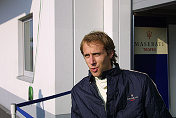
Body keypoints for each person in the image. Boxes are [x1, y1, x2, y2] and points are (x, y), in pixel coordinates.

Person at [71, 31, 172, 118]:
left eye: (96, 54)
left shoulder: (140, 82)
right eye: (87, 56)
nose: (91, 61)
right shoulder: (79, 91)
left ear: (110, 53)